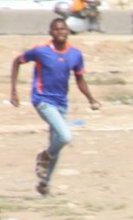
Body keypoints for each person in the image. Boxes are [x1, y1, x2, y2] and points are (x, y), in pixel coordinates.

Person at [10, 18, 101, 197]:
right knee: (65, 136)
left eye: (63, 29)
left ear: (68, 32)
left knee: (56, 145)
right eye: (57, 29)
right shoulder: (40, 51)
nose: (61, 32)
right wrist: (13, 91)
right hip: (42, 100)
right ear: (51, 32)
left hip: (62, 103)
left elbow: (79, 79)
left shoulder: (75, 54)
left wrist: (91, 98)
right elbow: (17, 62)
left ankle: (44, 183)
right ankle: (43, 156)